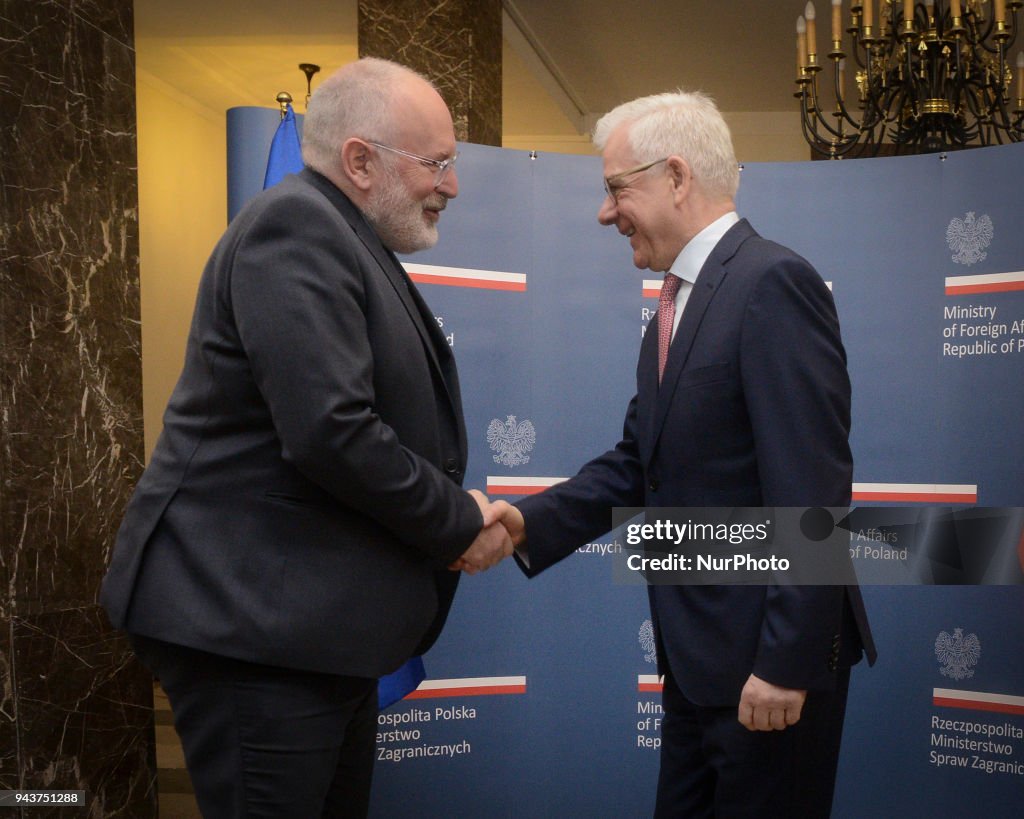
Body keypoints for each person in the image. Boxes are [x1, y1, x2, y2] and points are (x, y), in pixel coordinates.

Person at [100, 57, 512, 818]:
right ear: (360, 160)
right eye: (438, 164)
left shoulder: (347, 236)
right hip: (254, 637)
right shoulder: (294, 227)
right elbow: (332, 431)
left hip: (309, 638)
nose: (451, 185)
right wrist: (457, 520)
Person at [496, 91, 876, 817]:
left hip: (767, 671)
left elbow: (813, 488)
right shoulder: (671, 313)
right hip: (699, 665)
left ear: (675, 176)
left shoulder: (771, 283)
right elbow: (639, 463)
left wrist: (784, 663)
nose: (606, 213)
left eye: (616, 189)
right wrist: (522, 522)